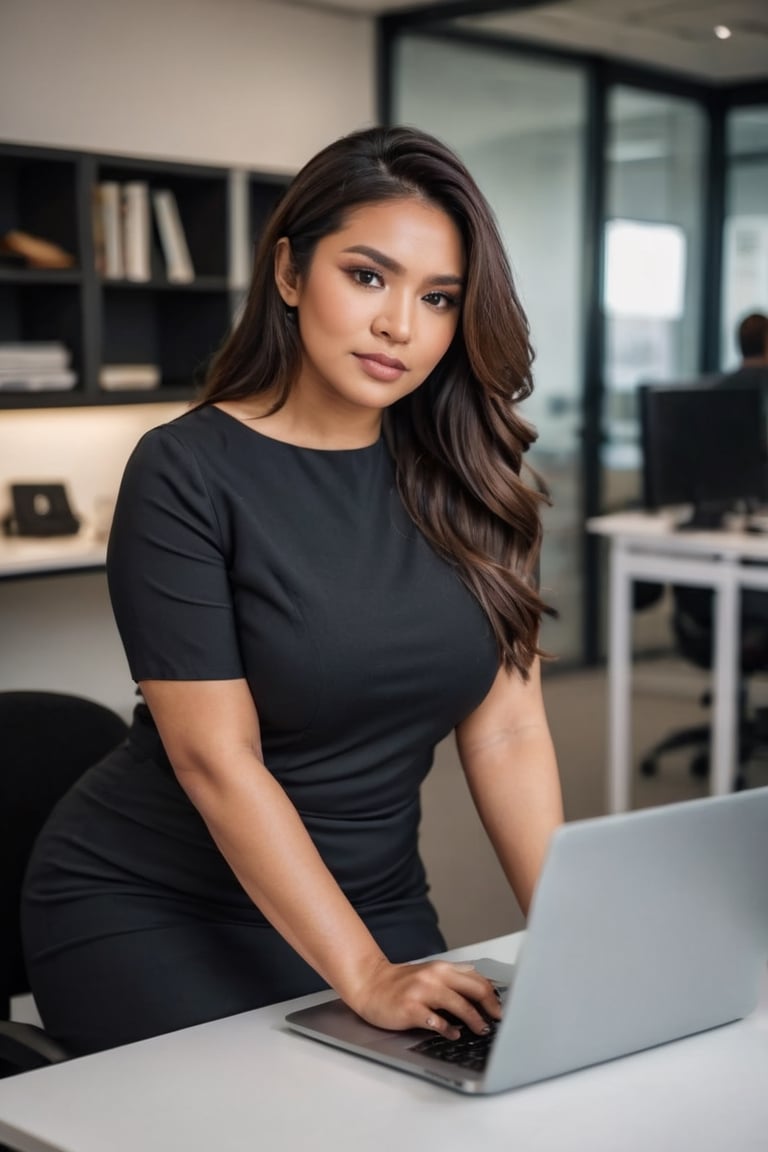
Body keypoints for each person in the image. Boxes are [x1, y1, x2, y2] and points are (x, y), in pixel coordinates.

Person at [22, 125, 563, 1056]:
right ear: (287, 273)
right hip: (158, 906)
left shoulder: (474, 480)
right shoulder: (185, 470)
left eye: (438, 298)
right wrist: (363, 975)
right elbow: (216, 762)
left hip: (373, 902)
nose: (401, 324)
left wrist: (577, 941)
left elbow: (509, 731)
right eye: (367, 276)